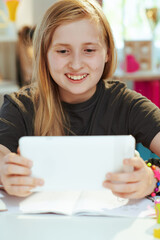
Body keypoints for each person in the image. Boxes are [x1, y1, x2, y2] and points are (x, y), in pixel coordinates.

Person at [0, 0, 160, 198]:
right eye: (63, 51)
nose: (76, 64)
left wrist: (152, 178)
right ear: (44, 54)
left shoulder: (127, 104)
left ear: (107, 53)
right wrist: (3, 172)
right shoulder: (19, 107)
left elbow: (153, 176)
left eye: (89, 50)